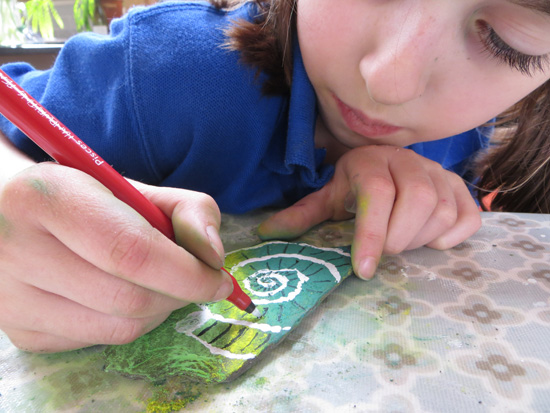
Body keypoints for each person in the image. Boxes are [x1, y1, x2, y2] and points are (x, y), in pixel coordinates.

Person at [0, 0, 549, 353]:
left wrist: (424, 194)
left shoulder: (467, 133)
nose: (389, 82)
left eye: (508, 42)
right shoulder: (171, 71)